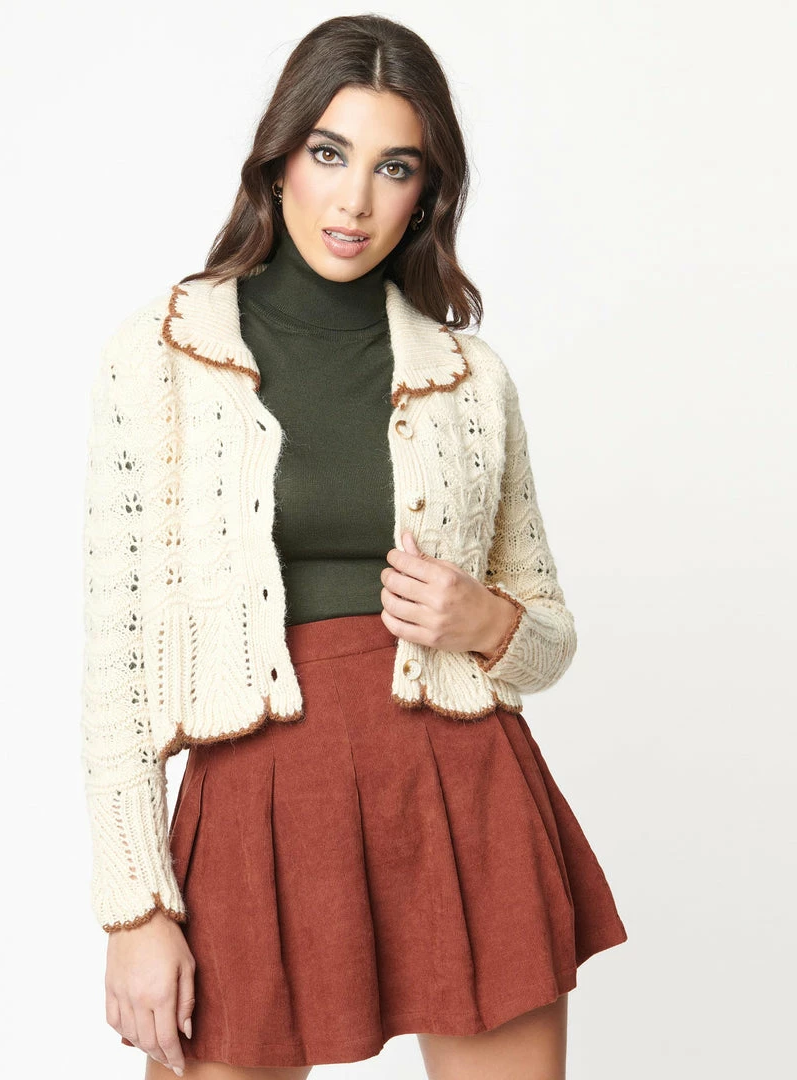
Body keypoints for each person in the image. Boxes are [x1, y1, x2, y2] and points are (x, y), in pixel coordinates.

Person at [80, 13, 628, 1080]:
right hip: (258, 798)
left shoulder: (470, 379)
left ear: (427, 192)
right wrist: (134, 907)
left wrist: (488, 621)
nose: (355, 200)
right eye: (330, 154)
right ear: (278, 159)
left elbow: (549, 640)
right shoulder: (161, 354)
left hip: (460, 787)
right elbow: (120, 662)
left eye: (395, 167)